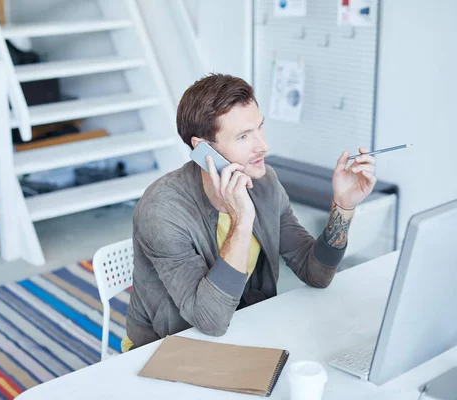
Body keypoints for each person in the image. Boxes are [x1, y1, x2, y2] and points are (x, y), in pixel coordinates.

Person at [122, 74, 377, 351]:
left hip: (244, 330)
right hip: (167, 348)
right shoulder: (161, 211)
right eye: (244, 136)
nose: (263, 146)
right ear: (203, 148)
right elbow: (211, 322)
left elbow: (316, 273)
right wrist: (242, 220)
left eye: (260, 128)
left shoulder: (265, 183)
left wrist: (344, 206)